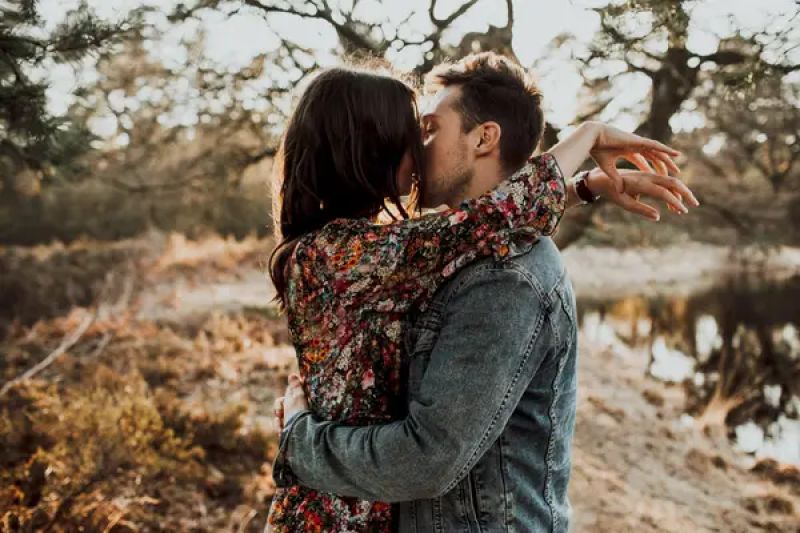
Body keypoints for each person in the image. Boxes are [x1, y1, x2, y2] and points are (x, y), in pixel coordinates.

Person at [267, 53, 695, 532]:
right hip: (335, 515)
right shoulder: (346, 254)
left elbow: (479, 225)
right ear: (370, 147)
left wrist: (582, 186)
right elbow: (479, 223)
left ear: (483, 138)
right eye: (411, 132)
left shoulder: (493, 271)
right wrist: (586, 143)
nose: (418, 145)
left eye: (428, 129)